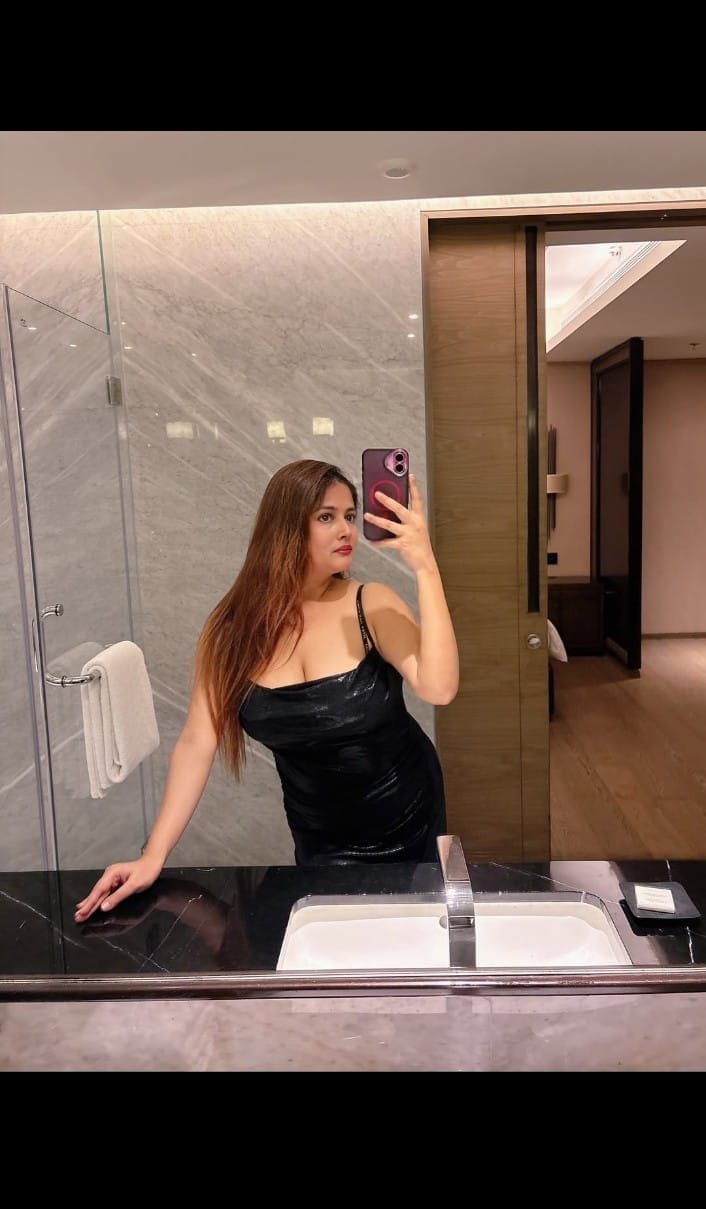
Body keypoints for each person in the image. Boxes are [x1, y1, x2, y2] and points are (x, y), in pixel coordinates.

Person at [75, 459, 459, 923]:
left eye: (350, 516)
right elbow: (197, 742)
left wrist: (426, 567)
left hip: (408, 814)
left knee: (411, 938)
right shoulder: (231, 630)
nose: (346, 530)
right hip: (319, 835)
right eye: (326, 516)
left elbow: (439, 688)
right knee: (332, 939)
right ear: (284, 526)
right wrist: (152, 855)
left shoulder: (370, 603)